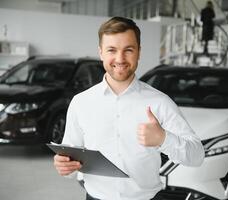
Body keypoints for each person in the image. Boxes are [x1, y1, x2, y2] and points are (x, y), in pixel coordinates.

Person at [53, 16, 204, 200]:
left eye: (128, 50)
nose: (120, 58)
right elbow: (70, 160)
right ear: (101, 53)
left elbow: (197, 156)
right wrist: (64, 166)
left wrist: (163, 138)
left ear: (139, 52)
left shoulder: (160, 102)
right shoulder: (80, 103)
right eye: (111, 50)